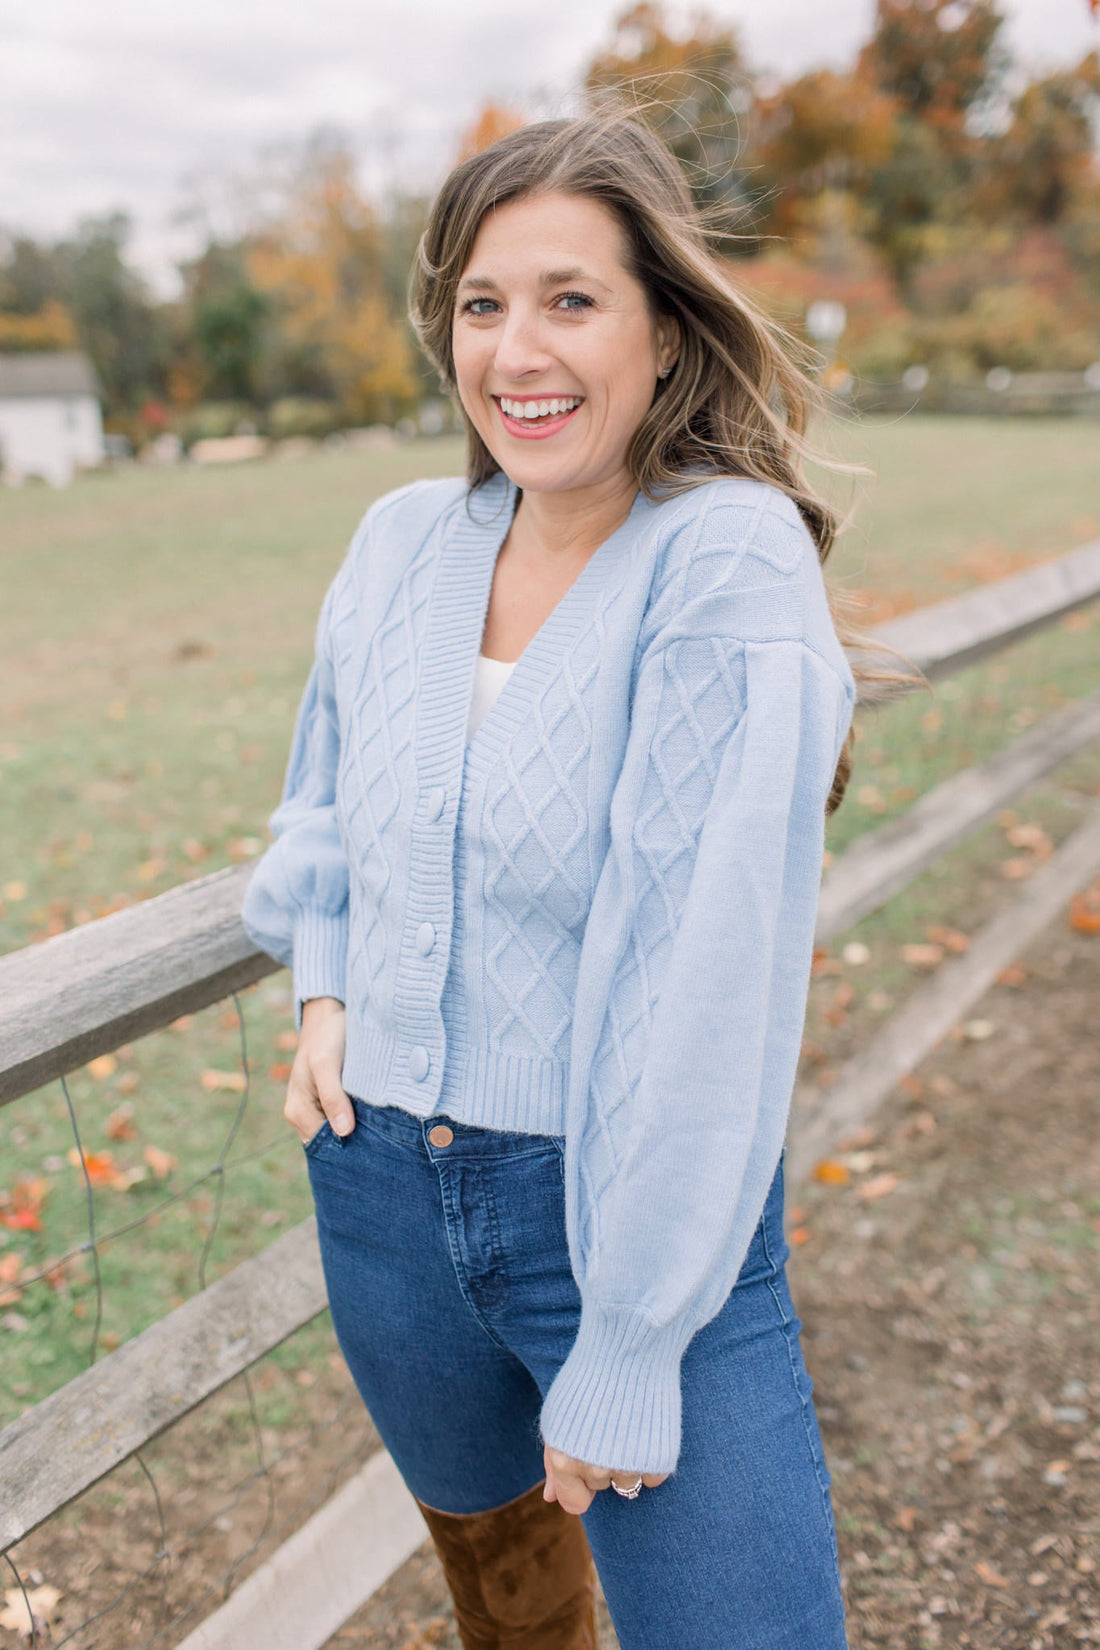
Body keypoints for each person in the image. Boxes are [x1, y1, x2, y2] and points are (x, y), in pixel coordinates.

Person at [241, 108, 858, 1650]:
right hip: (378, 1190)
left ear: (665, 328)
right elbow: (322, 792)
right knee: (516, 1621)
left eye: (572, 299)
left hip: (618, 1214)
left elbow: (700, 978)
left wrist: (635, 1333)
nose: (521, 349)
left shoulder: (726, 562)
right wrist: (324, 976)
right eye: (482, 303)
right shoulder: (398, 544)